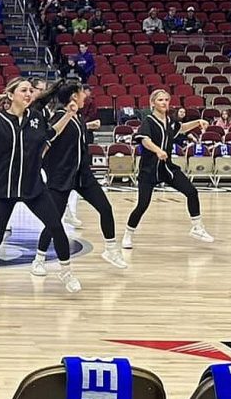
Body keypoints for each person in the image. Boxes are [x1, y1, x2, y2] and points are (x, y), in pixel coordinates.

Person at [0, 79, 81, 300]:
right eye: (24, 90)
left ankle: (66, 272)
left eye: (31, 90)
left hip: (34, 186)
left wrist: (68, 115)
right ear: (10, 95)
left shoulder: (37, 118)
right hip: (4, 189)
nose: (29, 94)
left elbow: (49, 136)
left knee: (57, 227)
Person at [31, 82, 127, 275]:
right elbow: (45, 147)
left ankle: (110, 249)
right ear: (74, 96)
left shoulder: (78, 118)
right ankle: (39, 259)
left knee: (105, 208)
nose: (86, 96)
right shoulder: (59, 118)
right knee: (54, 221)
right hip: (60, 177)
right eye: (83, 93)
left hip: (83, 176)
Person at [122, 89, 215, 249]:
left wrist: (198, 122)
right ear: (152, 103)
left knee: (191, 192)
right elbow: (144, 140)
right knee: (142, 205)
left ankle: (198, 228)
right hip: (149, 170)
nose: (164, 102)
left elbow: (182, 128)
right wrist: (158, 150)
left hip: (167, 168)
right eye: (160, 100)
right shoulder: (148, 121)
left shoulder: (170, 120)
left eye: (166, 99)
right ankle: (128, 235)